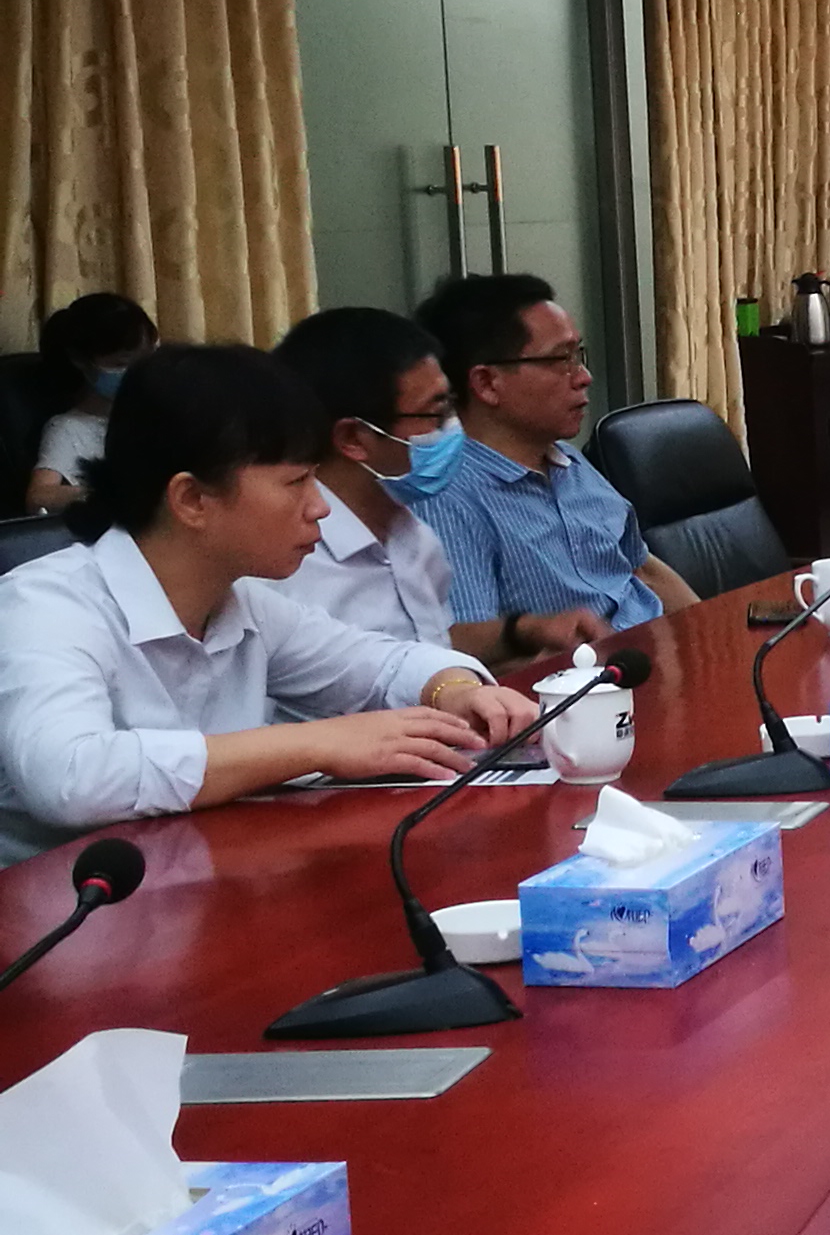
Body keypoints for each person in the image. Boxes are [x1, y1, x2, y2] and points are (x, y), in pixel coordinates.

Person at [0, 345, 536, 865]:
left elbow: (381, 664)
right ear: (192, 499)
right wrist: (315, 743)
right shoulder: (46, 605)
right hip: (62, 907)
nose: (320, 507)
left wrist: (454, 689)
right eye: (296, 481)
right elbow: (70, 778)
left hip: (206, 877)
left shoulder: (243, 603)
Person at [273, 305, 612, 673]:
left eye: (450, 408)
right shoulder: (289, 570)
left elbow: (433, 649)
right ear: (354, 438)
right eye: (435, 415)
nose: (453, 430)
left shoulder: (410, 532)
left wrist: (522, 632)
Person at [408, 273, 696, 636]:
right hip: (596, 667)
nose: (584, 377)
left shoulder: (568, 460)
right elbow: (472, 648)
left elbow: (643, 570)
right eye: (562, 359)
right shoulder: (447, 497)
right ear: (487, 383)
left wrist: (717, 636)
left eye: (579, 355)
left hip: (663, 646)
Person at [23, 290, 159, 511]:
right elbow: (38, 497)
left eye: (144, 361)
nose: (136, 373)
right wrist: (109, 494)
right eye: (121, 363)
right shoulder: (69, 429)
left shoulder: (154, 415)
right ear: (80, 361)